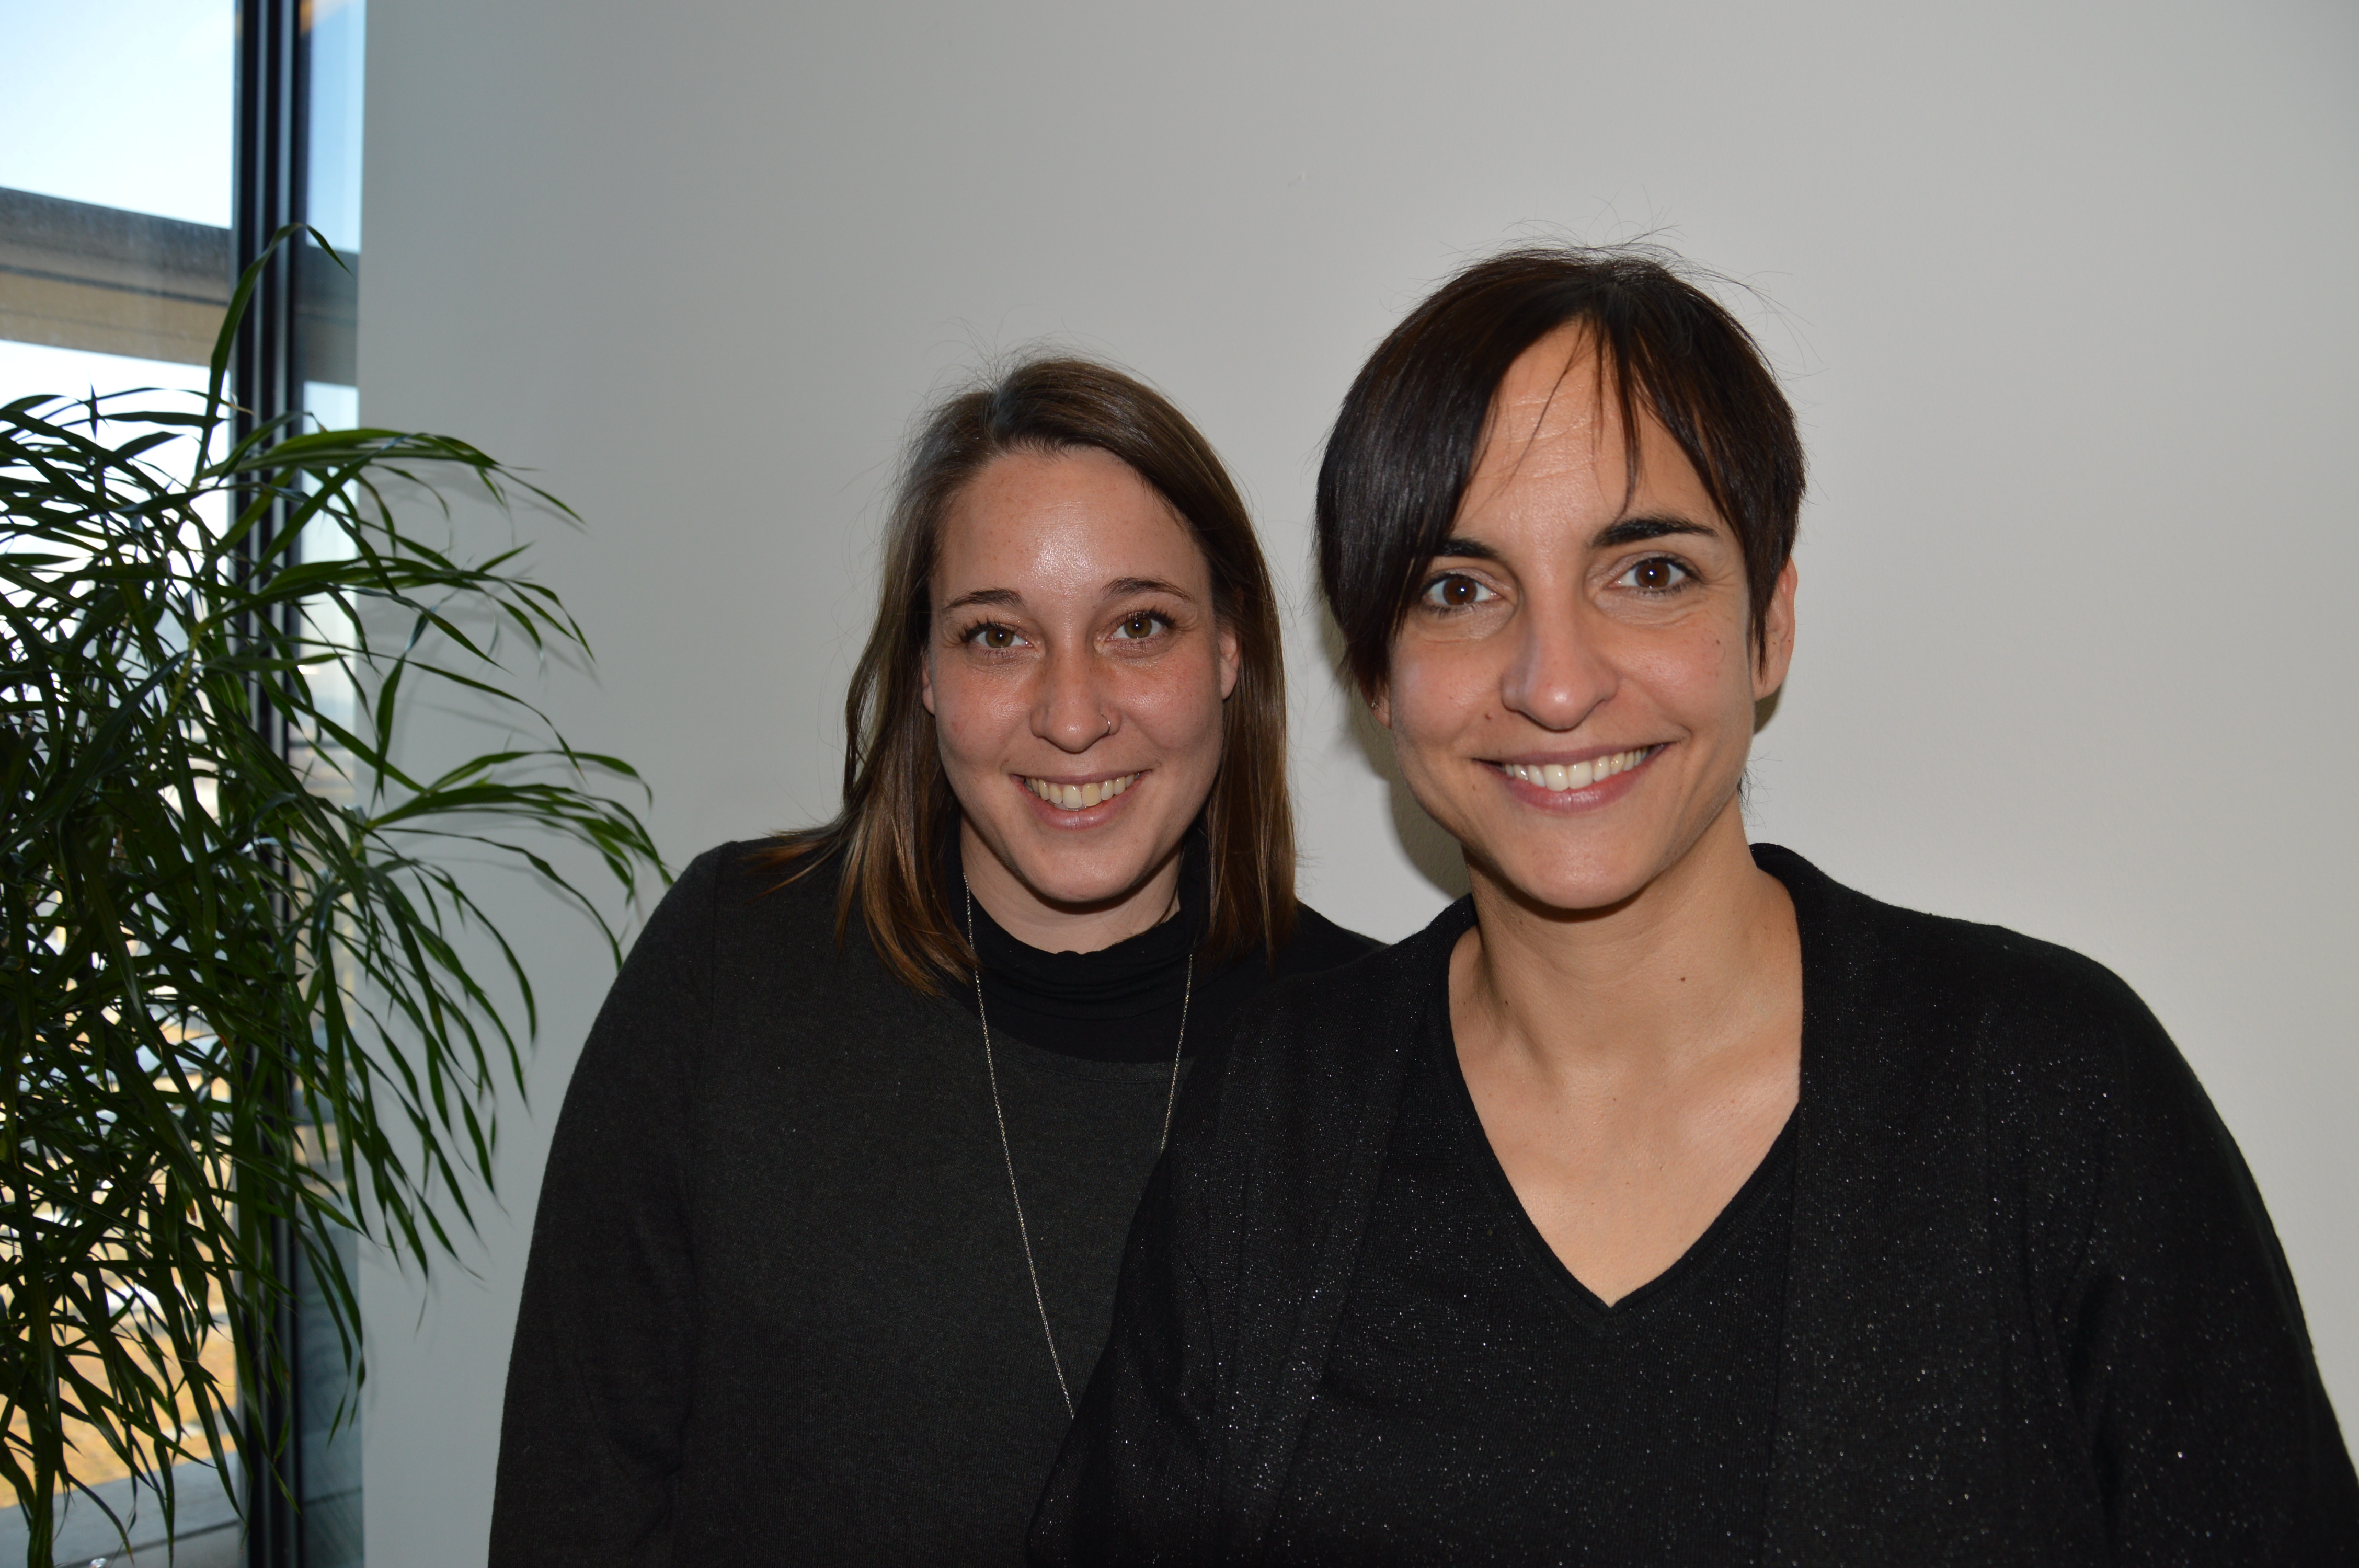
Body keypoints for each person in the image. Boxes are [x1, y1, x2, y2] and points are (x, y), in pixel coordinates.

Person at [1031, 248, 2359, 1564]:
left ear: (1770, 624)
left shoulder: (2050, 1089)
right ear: (1376, 673)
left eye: (1649, 573)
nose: (1556, 684)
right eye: (1459, 590)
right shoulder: (1274, 1116)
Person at [487, 357, 1372, 1564]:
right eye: (997, 636)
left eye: (1139, 626)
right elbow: (571, 1499)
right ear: (924, 673)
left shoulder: (1373, 1041)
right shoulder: (735, 960)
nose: (1073, 715)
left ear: (1229, 649)